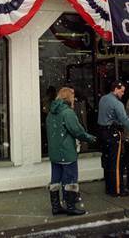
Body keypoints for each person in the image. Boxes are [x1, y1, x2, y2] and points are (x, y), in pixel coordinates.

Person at [46, 87, 96, 216]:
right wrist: (90, 138)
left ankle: (56, 207)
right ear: (68, 97)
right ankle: (71, 207)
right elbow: (77, 131)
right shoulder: (67, 113)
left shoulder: (51, 112)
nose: (74, 99)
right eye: (73, 96)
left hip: (54, 152)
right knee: (70, 180)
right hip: (67, 152)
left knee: (55, 180)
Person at [97, 81, 129, 197]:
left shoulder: (103, 99)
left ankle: (109, 188)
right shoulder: (117, 104)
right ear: (116, 89)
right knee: (116, 163)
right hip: (113, 133)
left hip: (102, 132)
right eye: (122, 91)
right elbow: (125, 120)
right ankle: (117, 189)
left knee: (107, 162)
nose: (123, 94)